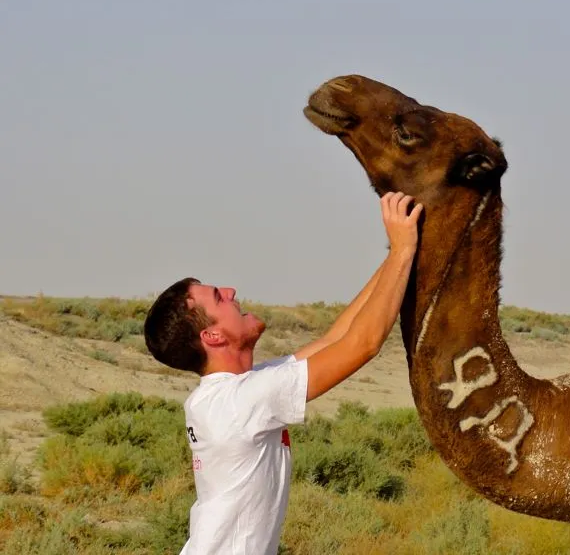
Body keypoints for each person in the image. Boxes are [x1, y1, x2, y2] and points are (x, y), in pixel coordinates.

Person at [143, 191, 423, 555]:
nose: (231, 291)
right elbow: (363, 344)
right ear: (211, 335)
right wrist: (403, 251)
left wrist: (395, 256)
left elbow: (336, 338)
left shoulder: (231, 394)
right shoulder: (241, 402)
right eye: (217, 296)